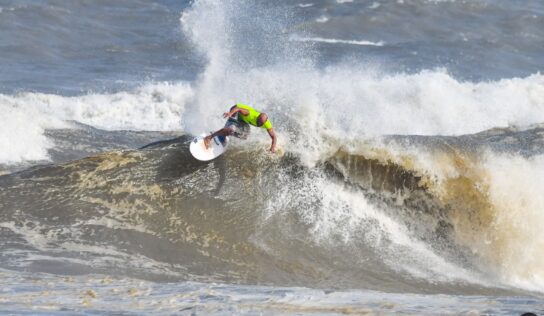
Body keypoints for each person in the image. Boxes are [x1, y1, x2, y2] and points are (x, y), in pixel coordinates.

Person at [204, 103, 277, 153]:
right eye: (258, 121)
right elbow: (238, 108)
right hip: (235, 111)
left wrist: (272, 148)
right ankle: (209, 137)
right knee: (231, 129)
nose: (259, 124)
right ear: (257, 117)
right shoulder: (250, 114)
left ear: (265, 122)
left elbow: (274, 137)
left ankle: (225, 132)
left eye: (261, 123)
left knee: (244, 136)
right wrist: (230, 113)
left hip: (243, 119)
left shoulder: (267, 124)